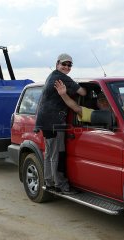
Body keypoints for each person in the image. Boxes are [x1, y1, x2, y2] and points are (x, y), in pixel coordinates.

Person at [35, 53, 86, 194]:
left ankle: (49, 182)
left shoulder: (51, 76)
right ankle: (60, 185)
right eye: (64, 64)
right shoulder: (62, 77)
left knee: (50, 153)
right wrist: (76, 89)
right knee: (57, 154)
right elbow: (82, 92)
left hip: (45, 121)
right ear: (57, 63)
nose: (67, 67)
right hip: (55, 122)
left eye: (69, 65)